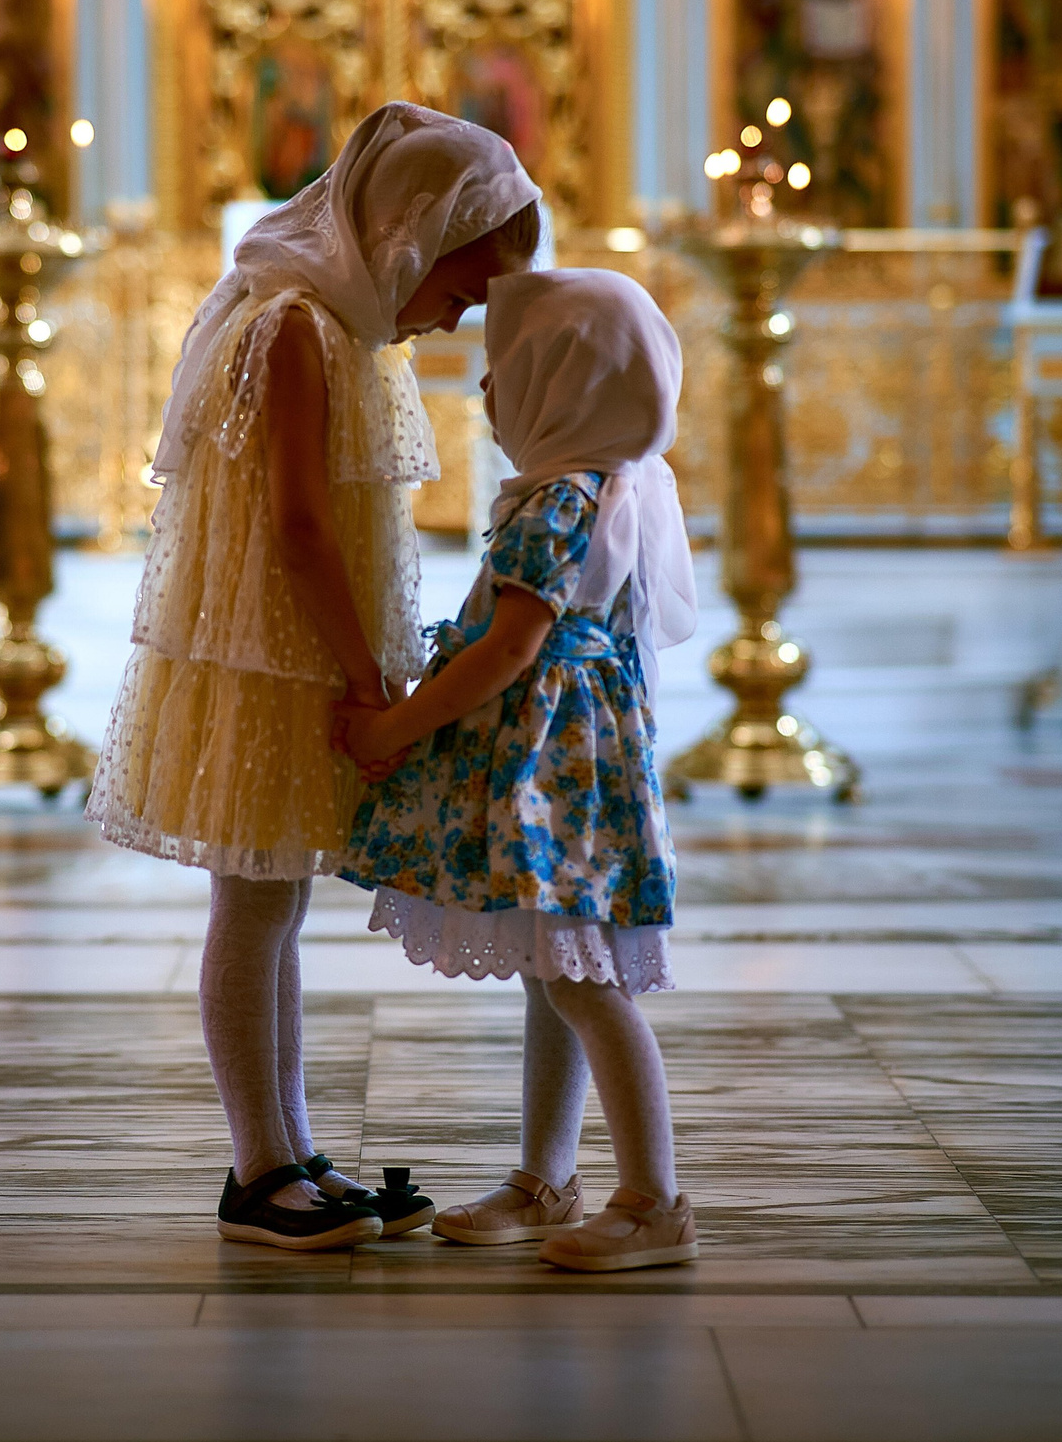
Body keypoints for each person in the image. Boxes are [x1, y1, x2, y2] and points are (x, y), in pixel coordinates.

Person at [88, 103, 544, 1250]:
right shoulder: (293, 324)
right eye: (460, 284)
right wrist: (367, 681)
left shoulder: (340, 325)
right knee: (251, 903)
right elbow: (295, 526)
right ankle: (257, 1168)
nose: (458, 314)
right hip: (272, 656)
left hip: (296, 650)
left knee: (274, 901)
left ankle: (286, 1147)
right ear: (406, 232)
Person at [334, 268, 700, 1272]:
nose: (487, 395)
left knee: (584, 982)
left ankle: (653, 1199)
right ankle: (546, 1179)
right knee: (556, 969)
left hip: (554, 773)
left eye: (503, 373)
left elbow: (509, 648)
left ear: (562, 386)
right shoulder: (610, 483)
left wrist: (398, 724)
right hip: (571, 765)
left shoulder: (557, 500)